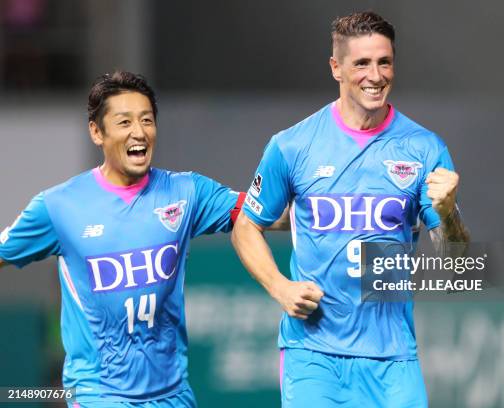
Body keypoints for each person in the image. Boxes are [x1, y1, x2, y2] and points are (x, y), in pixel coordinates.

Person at [0, 71, 284, 407]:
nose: (139, 132)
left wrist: (336, 214)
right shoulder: (58, 206)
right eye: (124, 122)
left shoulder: (186, 192)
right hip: (98, 395)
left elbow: (261, 214)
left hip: (173, 395)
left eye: (147, 120)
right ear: (96, 131)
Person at [231, 11, 470, 408]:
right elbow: (246, 226)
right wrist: (281, 287)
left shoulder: (424, 148)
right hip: (313, 354)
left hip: (393, 358)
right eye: (361, 63)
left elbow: (455, 261)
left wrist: (447, 214)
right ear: (336, 68)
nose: (375, 76)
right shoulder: (292, 146)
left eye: (384, 62)